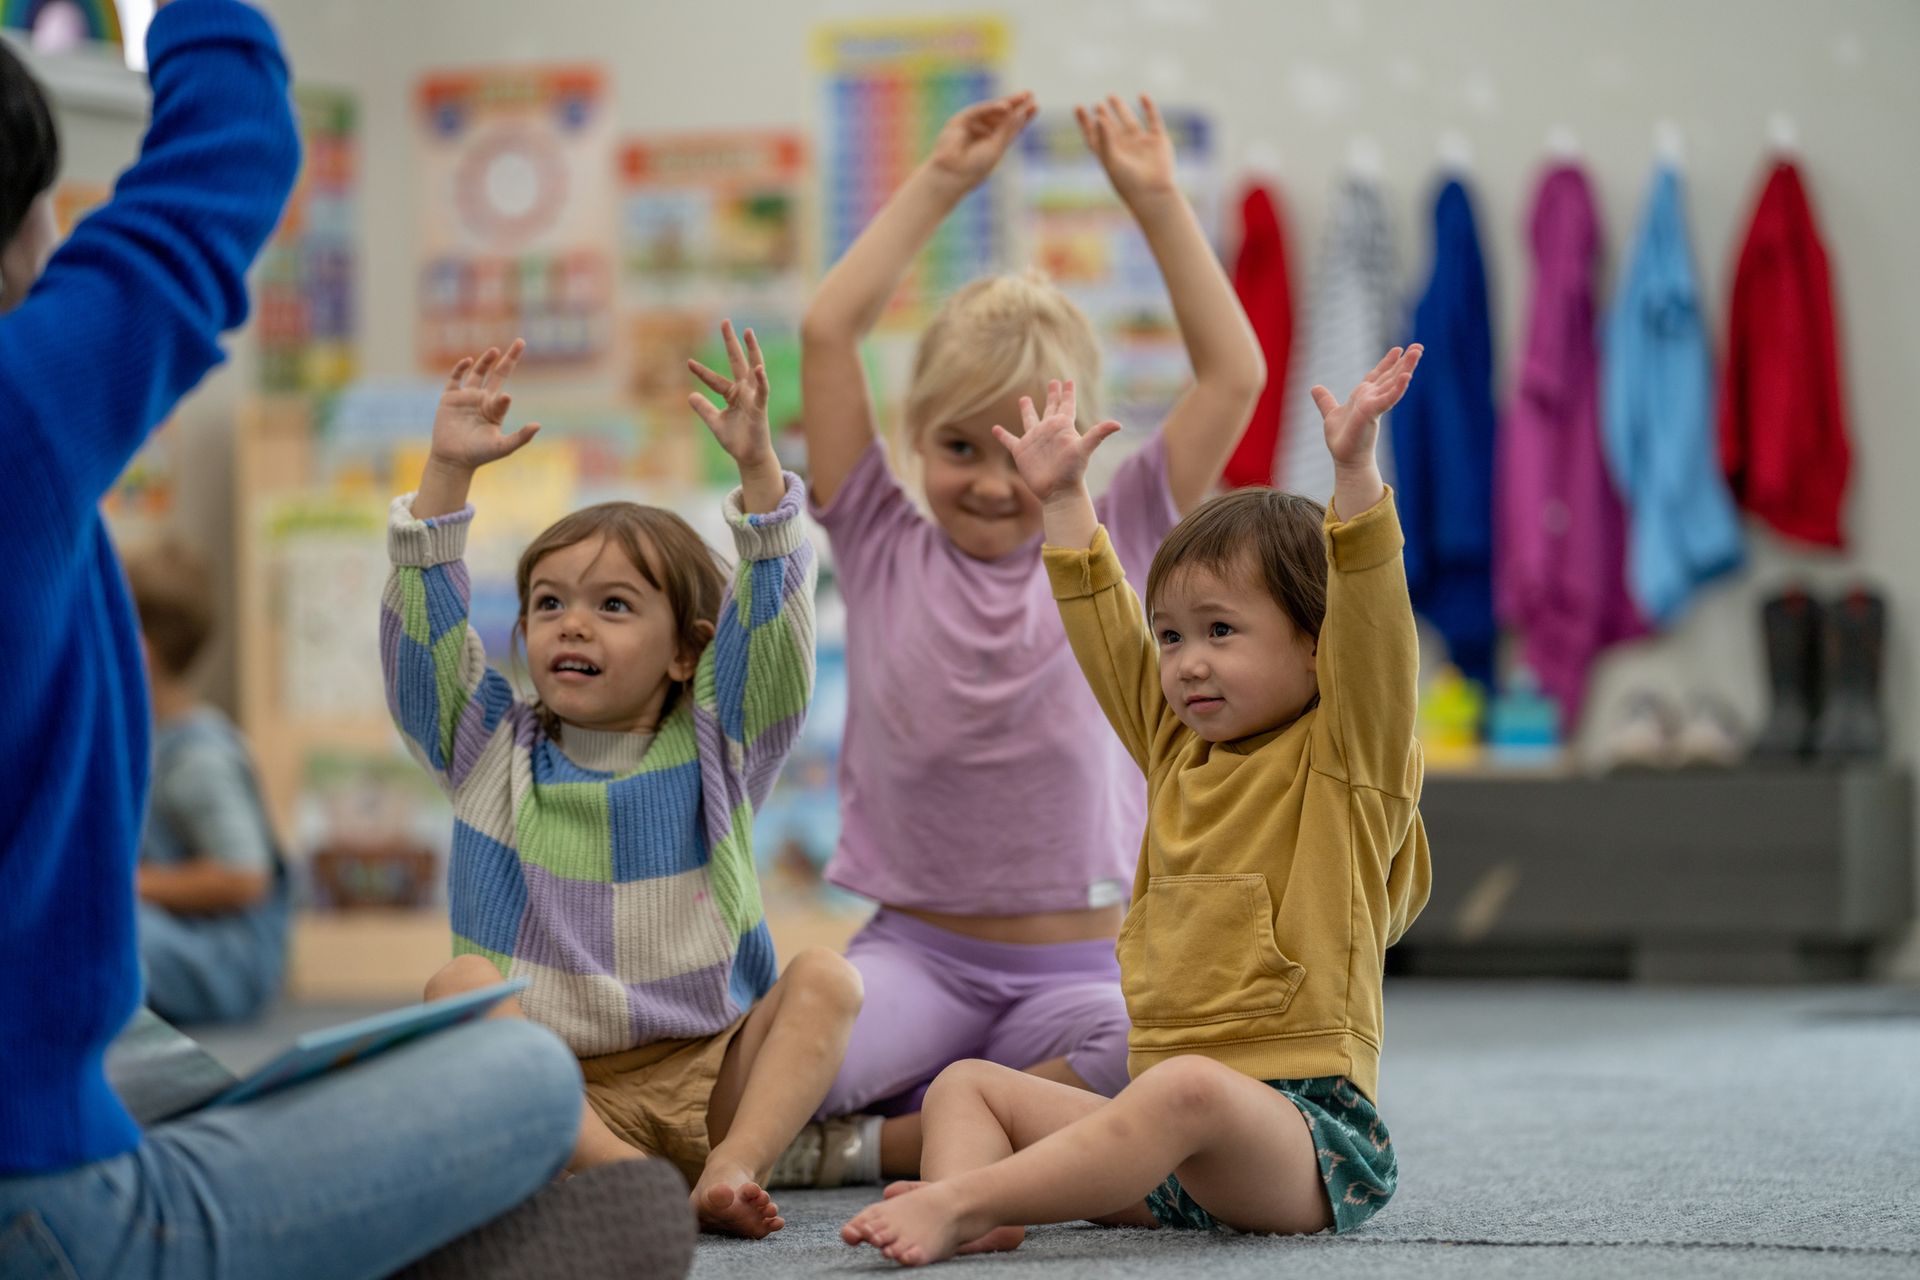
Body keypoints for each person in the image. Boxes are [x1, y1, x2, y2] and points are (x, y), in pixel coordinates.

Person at [0, 5, 607, 1277]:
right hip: (55, 1205)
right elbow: (229, 148)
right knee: (525, 1069)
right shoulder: (20, 409)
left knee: (171, 1046)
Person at [842, 351, 1433, 1264]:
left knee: (1183, 1090)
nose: (1187, 661)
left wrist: (1354, 479)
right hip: (1160, 1149)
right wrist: (1063, 497)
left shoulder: (1349, 756)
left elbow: (1379, 633)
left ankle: (959, 1200)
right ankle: (986, 1208)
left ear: (1318, 649)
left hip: (1306, 1142)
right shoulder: (1175, 750)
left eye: (1221, 631)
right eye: (1173, 636)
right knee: (964, 1087)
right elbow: (1103, 628)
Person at [794, 91, 1265, 1182]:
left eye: (1026, 443)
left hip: (1080, 969)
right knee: (780, 1060)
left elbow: (1233, 374)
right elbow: (829, 328)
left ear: (1083, 442)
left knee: (1157, 1061)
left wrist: (1154, 198)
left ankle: (884, 1141)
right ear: (913, 440)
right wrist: (943, 180)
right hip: (915, 952)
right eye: (960, 444)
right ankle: (939, 1111)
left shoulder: (1129, 528)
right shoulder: (874, 531)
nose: (998, 479)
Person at [391, 326, 862, 1237]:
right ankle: (640, 1184)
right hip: (556, 1096)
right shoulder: (488, 743)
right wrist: (446, 477)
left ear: (689, 649)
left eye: (614, 606)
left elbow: (771, 634)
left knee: (828, 981)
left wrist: (761, 475)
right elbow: (426, 644)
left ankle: (732, 1167)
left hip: (708, 1067)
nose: (573, 626)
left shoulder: (721, 740)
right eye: (549, 604)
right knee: (454, 988)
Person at [122, 538, 289, 1025]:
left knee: (107, 927)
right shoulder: (153, 740)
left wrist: (129, 884)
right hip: (187, 942)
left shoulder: (198, 756)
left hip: (229, 963)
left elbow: (244, 877)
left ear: (140, 651)